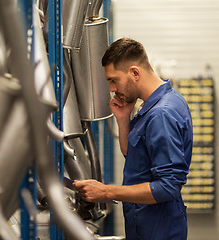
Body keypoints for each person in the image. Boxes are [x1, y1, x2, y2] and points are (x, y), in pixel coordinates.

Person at [73, 38, 193, 240]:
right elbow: (134, 155)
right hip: (147, 225)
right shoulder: (152, 106)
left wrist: (106, 192)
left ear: (135, 73)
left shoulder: (161, 114)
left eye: (114, 80)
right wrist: (123, 120)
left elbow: (168, 186)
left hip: (159, 230)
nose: (112, 88)